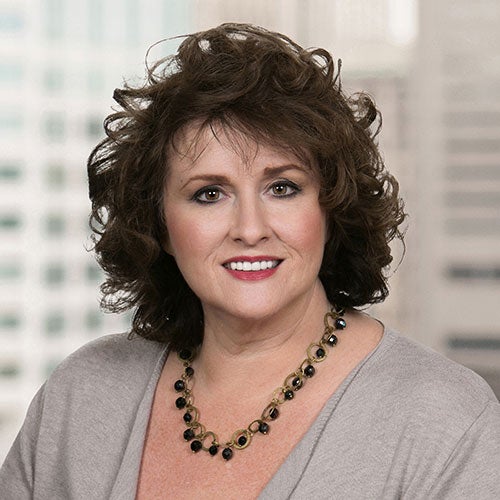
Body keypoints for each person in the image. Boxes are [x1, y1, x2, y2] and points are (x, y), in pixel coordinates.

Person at [1, 23, 499, 499]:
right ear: (161, 226)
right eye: (209, 194)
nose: (250, 228)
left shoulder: (445, 421)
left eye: (282, 188)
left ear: (331, 207)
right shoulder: (79, 397)